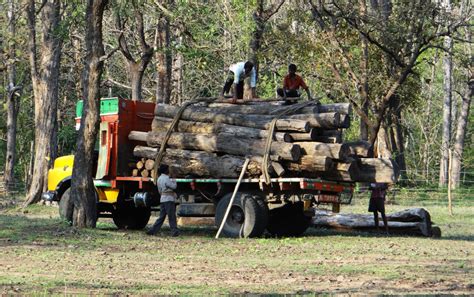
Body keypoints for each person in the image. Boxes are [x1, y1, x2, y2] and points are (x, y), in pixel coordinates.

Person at [147, 164, 179, 237]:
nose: (169, 170)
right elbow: (174, 186)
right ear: (166, 170)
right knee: (171, 216)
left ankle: (153, 231)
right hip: (169, 199)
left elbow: (159, 191)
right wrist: (174, 179)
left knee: (161, 216)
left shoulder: (159, 179)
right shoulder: (166, 178)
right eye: (168, 169)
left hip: (162, 199)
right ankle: (174, 231)